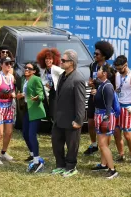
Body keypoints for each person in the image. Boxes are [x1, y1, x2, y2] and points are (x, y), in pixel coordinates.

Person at [51, 49, 86, 178]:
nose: (61, 62)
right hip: (59, 118)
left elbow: (81, 102)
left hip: (72, 120)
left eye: (64, 60)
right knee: (56, 143)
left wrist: (79, 121)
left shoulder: (78, 79)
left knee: (72, 145)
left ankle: (71, 167)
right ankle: (60, 165)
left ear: (71, 63)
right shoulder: (62, 76)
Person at [84, 41, 114, 156]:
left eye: (97, 54)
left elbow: (110, 86)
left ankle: (105, 147)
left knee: (104, 125)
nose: (94, 55)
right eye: (94, 53)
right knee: (90, 122)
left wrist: (98, 88)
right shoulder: (93, 65)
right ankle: (93, 144)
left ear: (104, 56)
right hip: (92, 96)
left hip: (102, 98)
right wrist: (91, 83)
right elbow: (91, 79)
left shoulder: (108, 68)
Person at [16, 62, 46, 172]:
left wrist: (37, 98)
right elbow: (25, 93)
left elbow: (41, 95)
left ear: (34, 71)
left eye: (29, 68)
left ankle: (37, 160)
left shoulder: (36, 79)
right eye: (26, 67)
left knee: (31, 135)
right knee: (25, 133)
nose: (26, 69)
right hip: (27, 110)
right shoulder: (25, 80)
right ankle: (32, 154)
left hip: (35, 110)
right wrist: (20, 96)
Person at [91, 64, 118, 179]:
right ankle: (103, 164)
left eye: (100, 70)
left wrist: (105, 120)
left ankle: (112, 169)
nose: (97, 71)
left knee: (102, 144)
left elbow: (108, 105)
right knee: (104, 143)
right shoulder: (102, 85)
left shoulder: (107, 86)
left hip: (104, 116)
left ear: (105, 73)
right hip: (99, 115)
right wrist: (95, 94)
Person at [36, 48, 64, 119]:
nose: (48, 60)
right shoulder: (45, 70)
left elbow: (64, 73)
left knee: (54, 111)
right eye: (46, 58)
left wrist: (59, 84)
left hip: (56, 92)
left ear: (53, 60)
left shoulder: (55, 68)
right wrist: (46, 84)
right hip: (50, 92)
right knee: (50, 111)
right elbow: (43, 80)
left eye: (50, 59)